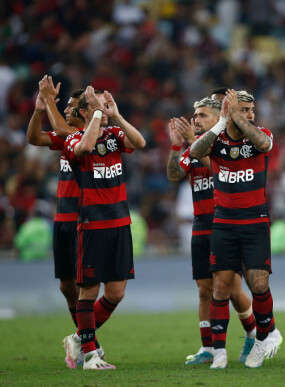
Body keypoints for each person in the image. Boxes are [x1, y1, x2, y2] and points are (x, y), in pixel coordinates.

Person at [189, 89, 282, 369]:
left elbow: (265, 145)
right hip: (224, 223)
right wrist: (222, 123)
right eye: (244, 109)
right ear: (229, 112)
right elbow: (195, 150)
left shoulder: (260, 134)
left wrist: (239, 120)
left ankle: (263, 341)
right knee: (220, 286)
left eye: (251, 109)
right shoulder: (216, 140)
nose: (250, 114)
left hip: (255, 221)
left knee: (259, 284)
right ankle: (218, 351)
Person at [26, 76, 112, 367]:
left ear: (84, 112)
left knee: (88, 285)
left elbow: (62, 130)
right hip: (61, 218)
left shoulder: (89, 136)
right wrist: (40, 109)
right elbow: (34, 138)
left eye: (72, 107)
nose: (66, 112)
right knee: (67, 286)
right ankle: (89, 341)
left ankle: (83, 340)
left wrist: (49, 99)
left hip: (85, 218)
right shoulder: (66, 135)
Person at [166, 97, 258, 365]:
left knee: (230, 288)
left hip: (227, 223)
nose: (196, 119)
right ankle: (207, 347)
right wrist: (176, 145)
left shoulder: (226, 145)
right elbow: (174, 175)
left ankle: (253, 334)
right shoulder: (193, 148)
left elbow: (220, 171)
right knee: (204, 289)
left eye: (202, 115)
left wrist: (195, 140)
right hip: (201, 225)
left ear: (219, 117)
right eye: (195, 115)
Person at [62, 86, 146, 370]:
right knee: (89, 290)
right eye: (97, 104)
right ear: (85, 112)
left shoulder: (114, 135)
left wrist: (116, 114)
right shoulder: (73, 139)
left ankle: (79, 338)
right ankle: (90, 356)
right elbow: (85, 148)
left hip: (120, 221)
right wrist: (97, 112)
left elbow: (140, 142)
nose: (104, 107)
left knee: (116, 293)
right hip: (93, 224)